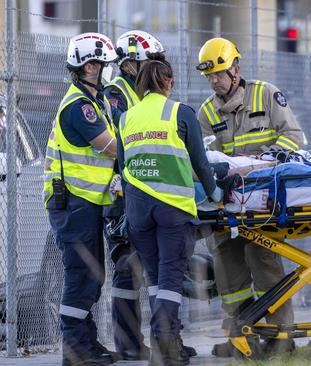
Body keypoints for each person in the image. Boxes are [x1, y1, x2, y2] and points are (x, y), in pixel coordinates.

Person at [195, 37, 303, 356]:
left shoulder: (266, 95)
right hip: (228, 203)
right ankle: (240, 337)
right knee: (229, 272)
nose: (215, 81)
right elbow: (205, 159)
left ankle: (280, 337)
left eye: (219, 73)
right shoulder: (205, 113)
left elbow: (293, 138)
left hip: (264, 200)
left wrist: (263, 162)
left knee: (265, 263)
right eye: (210, 76)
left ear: (236, 69)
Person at [118, 53, 221, 366]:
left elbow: (123, 168)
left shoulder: (126, 118)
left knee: (155, 278)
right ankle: (164, 347)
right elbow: (201, 162)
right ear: (168, 82)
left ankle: (171, 342)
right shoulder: (181, 112)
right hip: (172, 209)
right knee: (172, 279)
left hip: (137, 210)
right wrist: (215, 192)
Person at [43, 32, 120, 366]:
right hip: (74, 204)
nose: (107, 72)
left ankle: (86, 345)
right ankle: (75, 351)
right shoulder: (79, 107)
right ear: (90, 67)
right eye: (103, 65)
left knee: (92, 275)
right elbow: (111, 146)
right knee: (81, 276)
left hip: (82, 203)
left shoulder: (88, 100)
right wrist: (146, 145)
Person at [102, 29, 162, 361]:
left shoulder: (137, 94)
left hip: (140, 191)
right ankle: (128, 344)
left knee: (145, 267)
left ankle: (152, 340)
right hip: (120, 195)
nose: (154, 69)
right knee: (126, 269)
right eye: (149, 62)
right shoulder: (117, 95)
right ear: (131, 64)